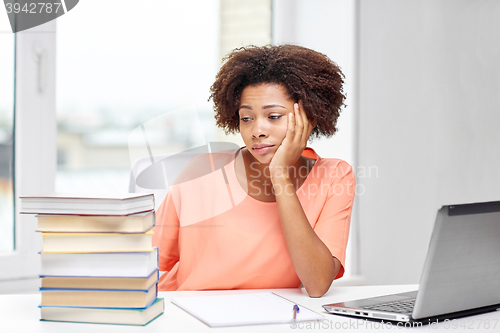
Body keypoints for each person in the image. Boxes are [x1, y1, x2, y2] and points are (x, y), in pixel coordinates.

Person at [152, 44, 355, 297]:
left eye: (274, 116)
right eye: (246, 118)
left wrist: (279, 175)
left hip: (270, 319)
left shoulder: (334, 175)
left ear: (309, 117)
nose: (256, 130)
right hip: (191, 316)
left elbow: (317, 283)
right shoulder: (204, 171)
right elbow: (151, 260)